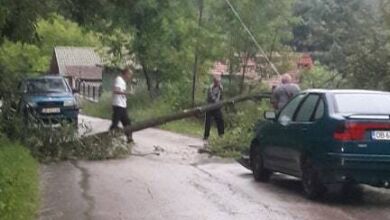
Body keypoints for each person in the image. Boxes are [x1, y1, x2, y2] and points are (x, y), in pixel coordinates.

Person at [110, 67, 133, 143]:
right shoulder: (118, 80)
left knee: (127, 122)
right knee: (115, 123)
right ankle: (109, 138)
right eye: (130, 74)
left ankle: (129, 139)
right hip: (118, 105)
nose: (130, 76)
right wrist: (127, 93)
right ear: (126, 73)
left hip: (122, 105)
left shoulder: (123, 82)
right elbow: (115, 90)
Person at [203, 75, 225, 140]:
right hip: (210, 106)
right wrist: (216, 101)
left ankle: (221, 135)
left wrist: (220, 103)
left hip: (217, 107)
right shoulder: (210, 87)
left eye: (219, 82)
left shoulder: (221, 88)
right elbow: (211, 97)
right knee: (208, 122)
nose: (218, 83)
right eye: (217, 82)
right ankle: (206, 136)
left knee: (220, 120)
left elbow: (221, 96)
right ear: (214, 82)